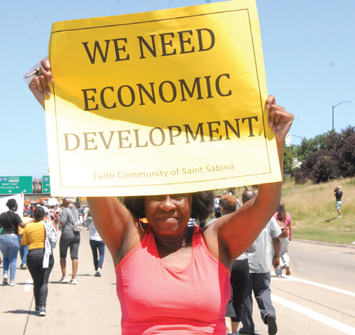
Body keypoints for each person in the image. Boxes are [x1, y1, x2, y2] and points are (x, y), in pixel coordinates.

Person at [29, 59, 293, 334]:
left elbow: (265, 204)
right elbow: (91, 169)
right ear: (142, 203)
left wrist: (276, 143)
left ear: (194, 202)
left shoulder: (216, 243)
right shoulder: (128, 240)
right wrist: (55, 105)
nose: (168, 204)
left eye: (178, 196)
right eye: (157, 196)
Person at [209, 194, 257, 335]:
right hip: (242, 262)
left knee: (225, 299)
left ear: (222, 208)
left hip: (222, 263)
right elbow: (253, 247)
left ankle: (227, 330)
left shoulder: (213, 222)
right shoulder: (242, 223)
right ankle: (234, 331)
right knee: (238, 299)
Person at [239, 189, 281, 335]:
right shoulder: (268, 216)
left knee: (245, 296)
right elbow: (276, 238)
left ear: (243, 201)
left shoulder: (240, 216)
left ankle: (248, 328)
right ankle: (269, 314)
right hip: (263, 265)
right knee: (263, 291)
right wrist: (276, 256)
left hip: (245, 265)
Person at [21, 206, 58, 316]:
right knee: (44, 281)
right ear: (43, 215)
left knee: (36, 281)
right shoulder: (47, 224)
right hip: (46, 254)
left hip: (32, 255)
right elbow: (54, 239)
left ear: (34, 215)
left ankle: (37, 305)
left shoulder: (28, 227)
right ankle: (42, 307)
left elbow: (24, 243)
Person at [0, 199, 27, 285]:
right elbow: (22, 225)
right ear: (14, 206)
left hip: (3, 237)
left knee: (5, 257)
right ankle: (12, 280)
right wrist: (32, 221)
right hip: (13, 237)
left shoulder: (2, 215)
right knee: (13, 259)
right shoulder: (15, 216)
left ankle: (5, 274)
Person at [58, 197, 80, 284]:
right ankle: (74, 278)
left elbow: (62, 222)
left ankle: (64, 277)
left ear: (65, 202)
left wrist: (57, 216)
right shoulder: (75, 210)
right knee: (74, 256)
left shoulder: (65, 210)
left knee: (63, 255)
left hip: (67, 232)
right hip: (76, 233)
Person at [85, 208, 106, 277]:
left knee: (95, 255)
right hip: (101, 239)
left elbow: (84, 220)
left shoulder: (90, 220)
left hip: (92, 239)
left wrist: (86, 212)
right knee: (102, 254)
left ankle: (96, 268)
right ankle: (99, 268)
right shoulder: (102, 220)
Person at [273, 201, 292, 277]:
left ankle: (278, 272)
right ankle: (286, 264)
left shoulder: (275, 215)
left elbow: (272, 226)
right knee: (285, 252)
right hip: (285, 235)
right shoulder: (287, 215)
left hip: (277, 236)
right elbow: (289, 226)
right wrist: (290, 236)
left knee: (277, 253)